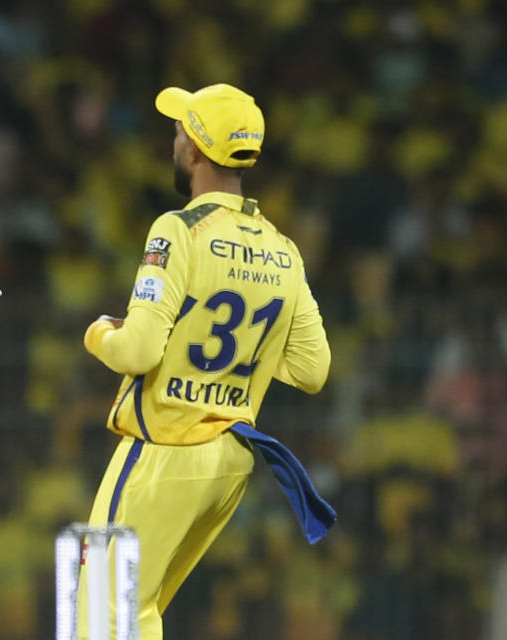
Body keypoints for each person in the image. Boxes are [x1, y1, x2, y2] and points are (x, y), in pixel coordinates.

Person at [79, 83, 335, 639]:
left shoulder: (179, 229)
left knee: (99, 616)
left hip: (165, 449)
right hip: (230, 461)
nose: (173, 139)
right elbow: (314, 370)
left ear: (194, 149)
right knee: (138, 613)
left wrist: (98, 334)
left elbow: (139, 350)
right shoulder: (282, 248)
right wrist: (246, 360)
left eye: (179, 130)